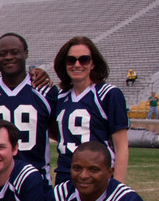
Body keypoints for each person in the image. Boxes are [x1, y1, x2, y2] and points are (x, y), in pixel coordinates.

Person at [0, 33, 58, 185]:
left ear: (25, 53)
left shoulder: (45, 91)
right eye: (2, 54)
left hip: (36, 181)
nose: (8, 57)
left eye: (14, 52)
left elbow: (57, 130)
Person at [53, 36, 129, 184]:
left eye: (84, 59)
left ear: (93, 63)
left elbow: (122, 146)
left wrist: (117, 186)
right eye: (71, 60)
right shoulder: (60, 97)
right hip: (65, 174)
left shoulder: (108, 94)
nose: (77, 64)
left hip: (96, 175)